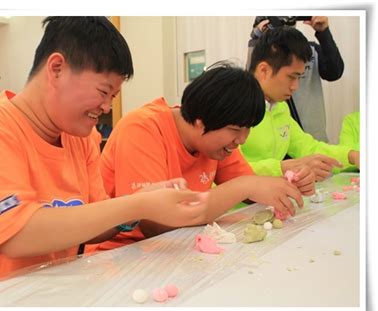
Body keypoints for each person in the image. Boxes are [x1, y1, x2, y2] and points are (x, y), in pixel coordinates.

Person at [0, 16, 210, 307]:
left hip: (55, 295)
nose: (106, 107)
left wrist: (139, 204)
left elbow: (94, 222)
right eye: (103, 91)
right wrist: (138, 205)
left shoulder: (81, 138)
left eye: (113, 96)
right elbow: (16, 235)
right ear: (57, 69)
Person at [85, 62, 308, 253]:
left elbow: (251, 191)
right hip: (119, 255)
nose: (242, 139)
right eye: (235, 129)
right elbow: (155, 224)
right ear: (200, 121)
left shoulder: (217, 144)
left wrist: (286, 184)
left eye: (247, 128)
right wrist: (244, 187)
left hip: (180, 248)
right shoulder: (142, 129)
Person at [241, 26, 359, 181]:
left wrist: (351, 155)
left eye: (299, 78)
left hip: (266, 196)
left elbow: (307, 147)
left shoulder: (280, 107)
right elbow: (227, 169)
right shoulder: (234, 105)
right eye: (292, 77)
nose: (295, 87)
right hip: (236, 202)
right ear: (264, 71)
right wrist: (284, 168)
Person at [246, 16, 344, 142]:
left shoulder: (308, 51)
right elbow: (252, 78)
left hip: (310, 136)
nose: (294, 86)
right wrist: (257, 37)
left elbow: (334, 72)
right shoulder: (262, 52)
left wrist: (323, 33)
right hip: (273, 137)